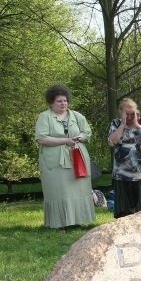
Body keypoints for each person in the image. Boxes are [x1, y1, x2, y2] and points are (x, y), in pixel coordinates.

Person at [35, 84, 96, 230]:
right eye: (59, 101)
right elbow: (41, 139)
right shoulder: (44, 117)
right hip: (54, 161)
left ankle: (77, 220)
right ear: (51, 102)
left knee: (78, 189)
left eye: (65, 101)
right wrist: (64, 141)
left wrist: (79, 137)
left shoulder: (77, 115)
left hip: (77, 157)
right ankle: (59, 223)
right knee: (59, 190)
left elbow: (87, 132)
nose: (63, 104)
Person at [108, 97, 141, 218]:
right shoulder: (116, 123)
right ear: (120, 112)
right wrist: (123, 124)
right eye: (126, 113)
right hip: (122, 172)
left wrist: (136, 124)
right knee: (124, 209)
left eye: (132, 112)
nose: (129, 116)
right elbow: (112, 141)